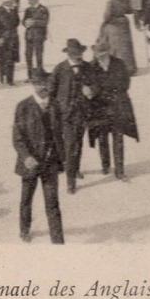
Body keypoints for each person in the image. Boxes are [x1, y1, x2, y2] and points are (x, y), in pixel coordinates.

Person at [12, 69, 65, 243]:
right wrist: (26, 157)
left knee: (52, 203)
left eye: (45, 83)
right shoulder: (23, 107)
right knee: (26, 199)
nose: (43, 87)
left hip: (50, 163)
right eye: (38, 83)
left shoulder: (56, 106)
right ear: (33, 85)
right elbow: (17, 137)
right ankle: (25, 229)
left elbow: (61, 133)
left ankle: (57, 240)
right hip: (31, 163)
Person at [89, 37, 140, 180]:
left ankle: (120, 170)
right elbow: (89, 84)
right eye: (98, 53)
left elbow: (125, 83)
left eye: (103, 53)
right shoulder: (92, 67)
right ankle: (105, 165)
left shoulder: (119, 64)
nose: (100, 56)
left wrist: (109, 91)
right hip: (100, 109)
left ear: (109, 52)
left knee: (118, 138)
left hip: (117, 107)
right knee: (102, 138)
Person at [50, 39, 97, 194]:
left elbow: (96, 84)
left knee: (78, 142)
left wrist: (91, 90)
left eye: (80, 54)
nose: (79, 57)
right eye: (76, 54)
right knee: (70, 146)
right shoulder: (59, 69)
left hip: (82, 113)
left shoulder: (88, 67)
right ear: (69, 54)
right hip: (66, 115)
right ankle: (70, 181)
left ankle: (75, 169)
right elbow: (51, 91)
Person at [98, 0, 138, 74]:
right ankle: (129, 67)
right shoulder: (125, 0)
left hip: (114, 26)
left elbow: (107, 17)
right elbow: (130, 10)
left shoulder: (110, 2)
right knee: (126, 47)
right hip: (124, 24)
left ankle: (117, 69)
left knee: (115, 47)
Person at [0, 0, 21, 86]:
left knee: (11, 58)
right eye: (8, 1)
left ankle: (10, 79)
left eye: (11, 1)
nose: (10, 2)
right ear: (3, 2)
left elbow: (17, 22)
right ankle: (2, 77)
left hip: (12, 37)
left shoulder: (14, 10)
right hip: (2, 38)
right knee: (1, 58)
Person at [22, 0, 50, 75]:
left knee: (39, 55)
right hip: (29, 36)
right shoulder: (28, 10)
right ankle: (30, 75)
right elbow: (23, 21)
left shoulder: (43, 9)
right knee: (28, 55)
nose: (28, 1)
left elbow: (45, 22)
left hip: (39, 36)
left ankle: (39, 74)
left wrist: (34, 22)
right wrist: (25, 23)